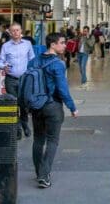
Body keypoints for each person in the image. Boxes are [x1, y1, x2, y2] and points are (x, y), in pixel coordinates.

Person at [30, 32, 79, 188]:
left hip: (36, 105)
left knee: (38, 140)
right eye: (62, 42)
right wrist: (72, 107)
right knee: (52, 140)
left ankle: (39, 172)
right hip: (53, 105)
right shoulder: (58, 64)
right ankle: (44, 176)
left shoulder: (33, 61)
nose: (65, 45)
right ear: (53, 44)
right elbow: (62, 89)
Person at [0, 22, 36, 138]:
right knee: (13, 104)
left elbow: (32, 59)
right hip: (11, 79)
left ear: (21, 31)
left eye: (17, 30)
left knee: (24, 104)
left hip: (24, 80)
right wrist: (3, 66)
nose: (15, 32)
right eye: (13, 30)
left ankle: (25, 124)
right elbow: (0, 61)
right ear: (10, 32)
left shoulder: (27, 44)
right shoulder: (6, 46)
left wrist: (31, 72)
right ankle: (17, 128)